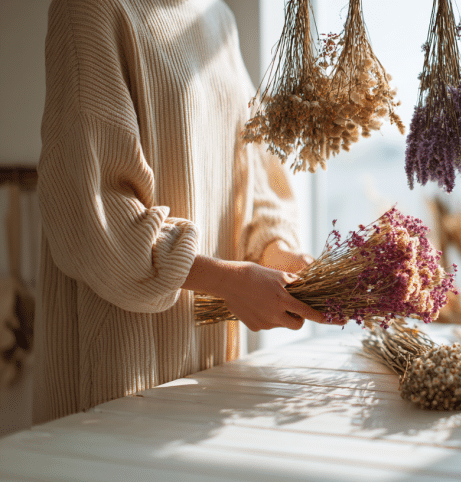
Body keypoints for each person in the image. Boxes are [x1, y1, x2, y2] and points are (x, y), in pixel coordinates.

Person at [32, 0, 336, 424]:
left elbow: (253, 174)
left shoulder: (218, 17)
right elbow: (92, 214)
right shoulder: (90, 9)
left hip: (211, 368)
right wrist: (230, 282)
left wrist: (277, 253)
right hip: (121, 365)